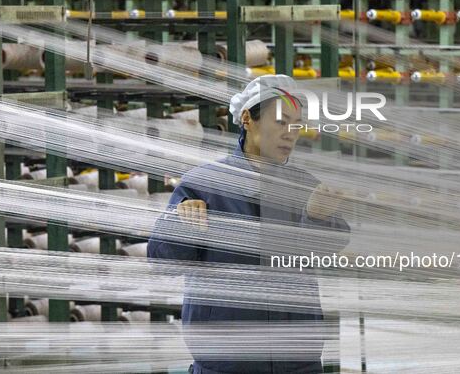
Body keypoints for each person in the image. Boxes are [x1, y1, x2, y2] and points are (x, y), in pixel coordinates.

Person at [148, 75, 350, 374]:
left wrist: (318, 219)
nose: (290, 133)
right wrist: (182, 226)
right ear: (247, 118)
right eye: (281, 122)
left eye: (296, 125)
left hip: (296, 359)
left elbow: (320, 255)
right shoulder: (204, 185)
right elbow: (163, 264)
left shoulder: (305, 187)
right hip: (226, 359)